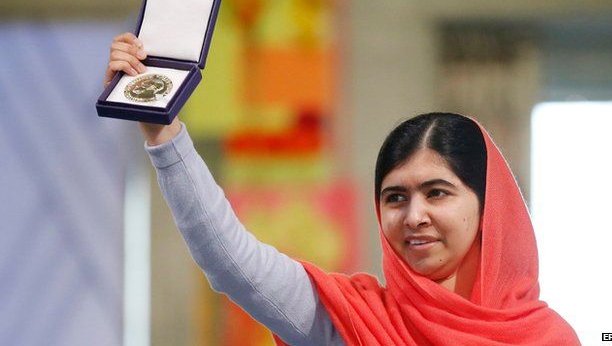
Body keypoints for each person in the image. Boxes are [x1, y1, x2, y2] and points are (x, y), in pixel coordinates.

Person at [105, 33, 581, 345]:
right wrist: (162, 133)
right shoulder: (348, 322)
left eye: (437, 192)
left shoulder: (550, 338)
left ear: (488, 208)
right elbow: (232, 262)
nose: (413, 215)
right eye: (395, 197)